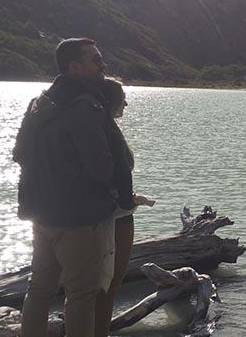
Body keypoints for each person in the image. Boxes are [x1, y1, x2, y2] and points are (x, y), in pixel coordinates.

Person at [13, 37, 116, 337]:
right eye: (95, 60)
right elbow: (101, 167)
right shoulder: (84, 105)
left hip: (40, 213)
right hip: (78, 217)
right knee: (82, 294)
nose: (103, 65)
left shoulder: (39, 103)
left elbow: (19, 154)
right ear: (75, 67)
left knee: (39, 289)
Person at [93, 78, 155, 337]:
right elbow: (115, 175)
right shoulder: (107, 132)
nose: (126, 102)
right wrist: (129, 200)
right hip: (117, 218)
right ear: (110, 101)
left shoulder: (95, 129)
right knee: (108, 286)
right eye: (122, 97)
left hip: (97, 216)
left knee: (93, 286)